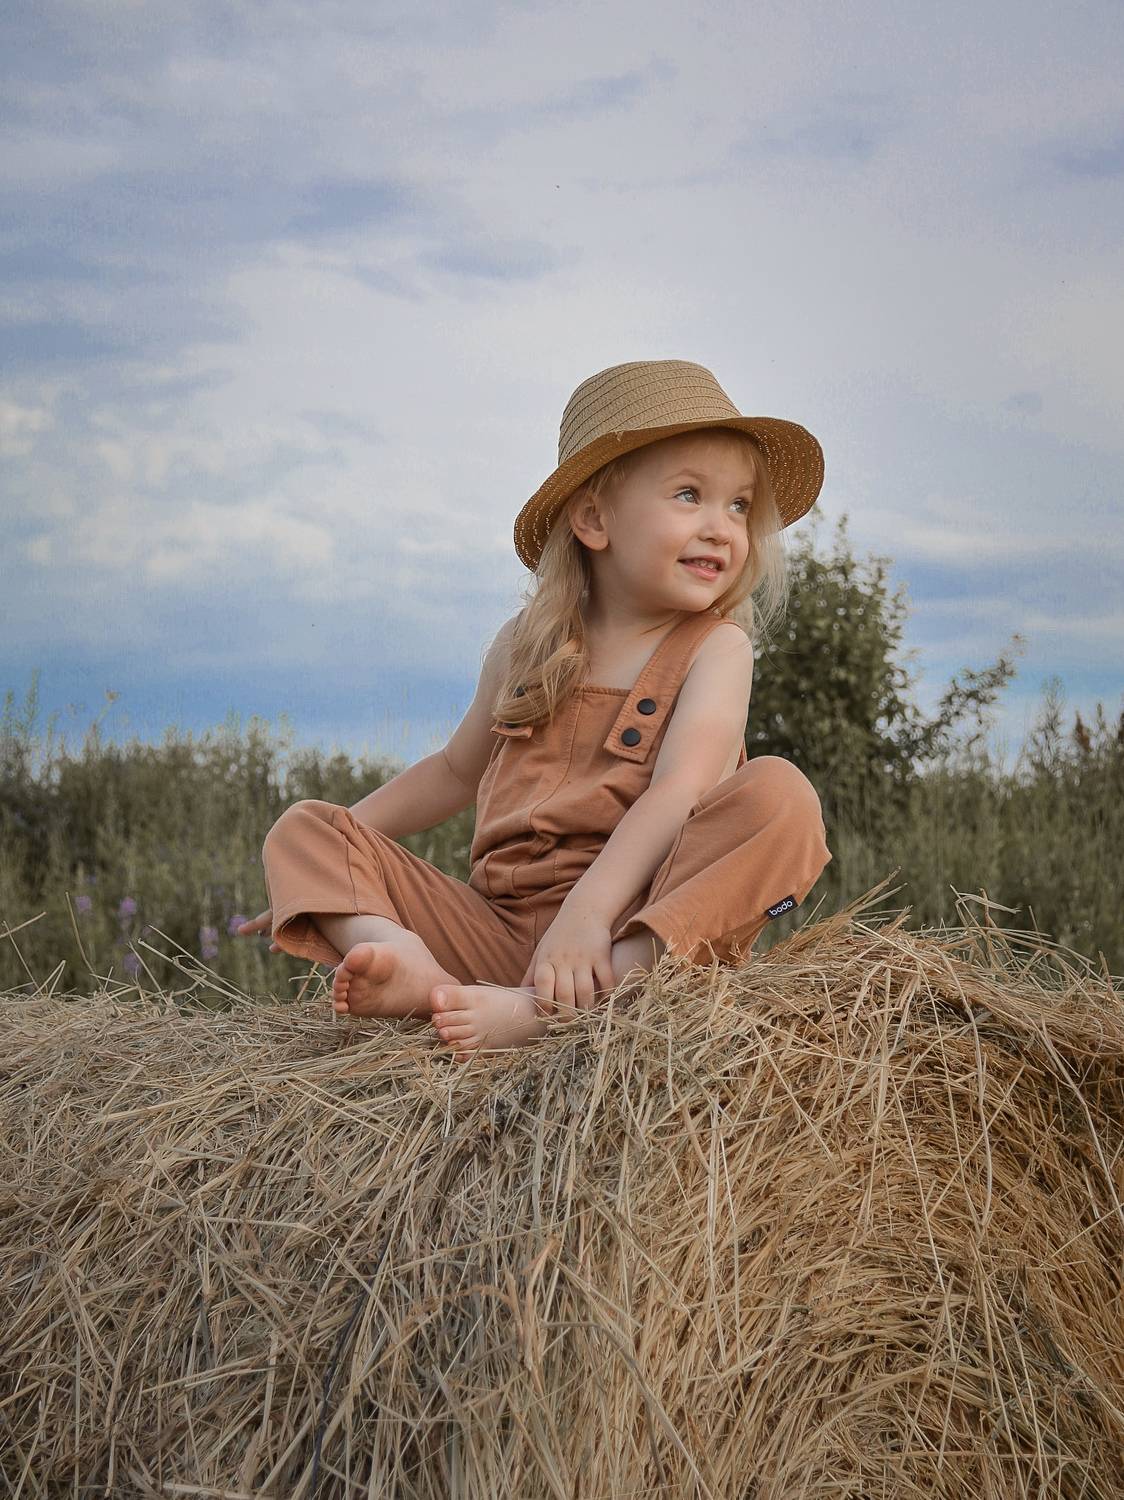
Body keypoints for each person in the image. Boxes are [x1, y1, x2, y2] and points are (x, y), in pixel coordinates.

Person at [237, 360, 832, 1060]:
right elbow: (454, 772)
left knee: (781, 797)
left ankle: (555, 1011)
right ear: (594, 519)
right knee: (303, 826)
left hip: (630, 935)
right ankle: (405, 963)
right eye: (688, 495)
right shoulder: (524, 647)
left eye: (738, 506)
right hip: (493, 929)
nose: (722, 528)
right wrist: (328, 861)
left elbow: (681, 788)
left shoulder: (716, 648)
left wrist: (587, 915)